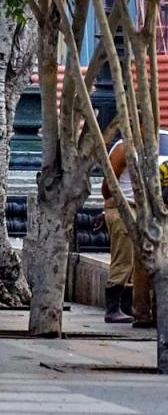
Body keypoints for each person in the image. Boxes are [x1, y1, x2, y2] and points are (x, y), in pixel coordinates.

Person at [103, 129, 138, 323]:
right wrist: (111, 206)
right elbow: (108, 184)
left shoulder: (146, 149)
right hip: (122, 206)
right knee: (123, 258)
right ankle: (113, 308)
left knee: (135, 261)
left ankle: (126, 307)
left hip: (139, 209)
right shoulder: (123, 148)